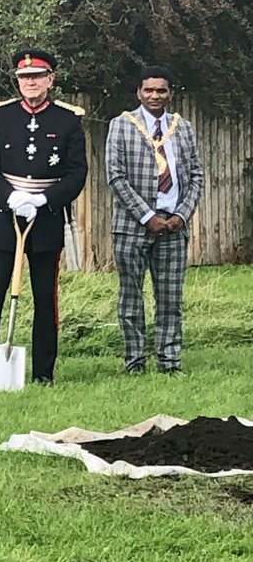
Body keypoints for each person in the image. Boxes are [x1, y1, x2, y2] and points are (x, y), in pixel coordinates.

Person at [0, 49, 88, 388]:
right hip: (4, 217)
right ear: (18, 82)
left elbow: (76, 174)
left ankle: (44, 372)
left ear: (50, 80)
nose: (31, 82)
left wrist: (44, 199)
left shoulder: (68, 120)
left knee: (45, 298)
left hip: (45, 218)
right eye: (24, 77)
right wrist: (11, 197)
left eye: (37, 76)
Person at [104, 66, 204, 375]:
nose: (155, 95)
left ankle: (169, 362)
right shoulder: (121, 125)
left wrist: (181, 215)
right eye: (149, 90)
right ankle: (134, 362)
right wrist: (147, 217)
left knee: (170, 299)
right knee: (131, 298)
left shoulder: (182, 127)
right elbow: (116, 177)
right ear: (139, 93)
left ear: (170, 93)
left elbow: (196, 176)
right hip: (132, 227)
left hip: (173, 226)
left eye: (161, 90)